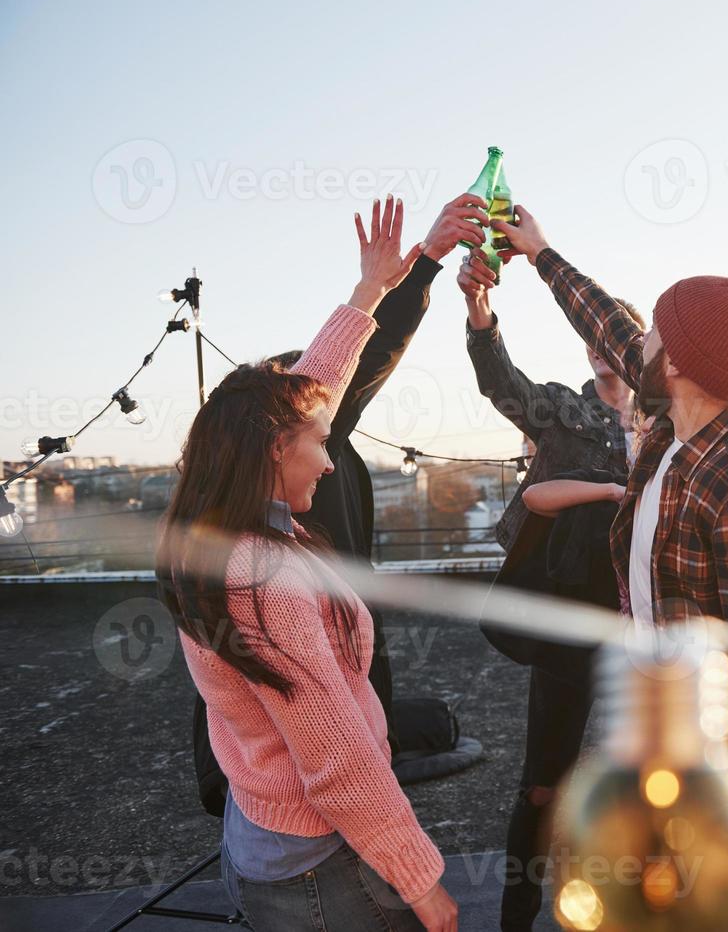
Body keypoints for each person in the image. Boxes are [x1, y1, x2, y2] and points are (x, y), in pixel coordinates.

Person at [488, 206, 728, 932]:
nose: (638, 344)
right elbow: (608, 325)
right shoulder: (677, 421)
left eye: (656, 336)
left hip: (725, 786)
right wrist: (541, 253)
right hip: (668, 748)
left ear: (677, 363)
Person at [157, 198, 458, 932]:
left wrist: (372, 291)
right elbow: (338, 762)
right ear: (271, 452)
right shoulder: (266, 582)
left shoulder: (212, 526)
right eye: (318, 445)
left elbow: (311, 389)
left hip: (265, 836)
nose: (329, 462)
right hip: (321, 870)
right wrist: (422, 884)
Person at [191, 193, 493, 816]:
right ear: (274, 440)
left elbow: (336, 365)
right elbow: (344, 366)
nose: (326, 455)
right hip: (303, 808)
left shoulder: (217, 514)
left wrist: (392, 277)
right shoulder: (260, 565)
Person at [457, 249, 643, 932]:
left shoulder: (665, 427)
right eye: (593, 340)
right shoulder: (564, 409)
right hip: (567, 615)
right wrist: (480, 312)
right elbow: (499, 381)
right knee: (543, 783)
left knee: (644, 776)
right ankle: (516, 915)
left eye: (614, 339)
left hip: (642, 620)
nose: (602, 352)